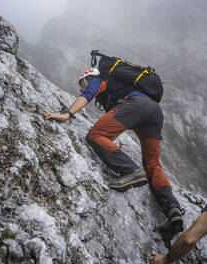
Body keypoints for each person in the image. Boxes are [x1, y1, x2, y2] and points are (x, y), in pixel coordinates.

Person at [45, 67, 183, 233]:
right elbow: (111, 133)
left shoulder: (99, 79)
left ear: (88, 77)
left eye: (82, 83)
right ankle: (172, 208)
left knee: (95, 135)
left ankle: (130, 171)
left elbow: (88, 94)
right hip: (154, 111)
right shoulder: (120, 89)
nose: (81, 88)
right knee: (153, 164)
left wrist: (67, 114)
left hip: (136, 105)